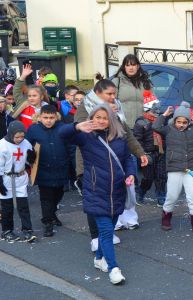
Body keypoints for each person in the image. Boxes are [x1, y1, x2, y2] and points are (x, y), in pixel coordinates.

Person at [59, 103, 135, 285]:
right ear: (92, 118)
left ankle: (99, 258)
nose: (101, 121)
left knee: (107, 230)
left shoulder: (120, 138)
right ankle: (113, 269)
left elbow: (127, 159)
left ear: (111, 119)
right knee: (107, 231)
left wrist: (131, 173)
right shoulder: (85, 137)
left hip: (117, 191)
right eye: (97, 117)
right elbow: (61, 134)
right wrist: (77, 126)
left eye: (104, 117)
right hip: (95, 191)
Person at [76, 75, 148, 251]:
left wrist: (140, 152)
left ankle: (106, 232)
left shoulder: (116, 108)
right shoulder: (86, 108)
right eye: (108, 93)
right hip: (91, 163)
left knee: (111, 198)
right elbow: (79, 137)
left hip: (112, 162)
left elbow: (126, 134)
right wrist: (81, 170)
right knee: (94, 201)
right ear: (98, 92)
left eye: (114, 93)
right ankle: (96, 238)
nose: (112, 97)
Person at [153, 102, 193, 234]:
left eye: (185, 122)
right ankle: (166, 218)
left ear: (188, 122)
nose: (181, 125)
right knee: (172, 196)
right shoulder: (168, 129)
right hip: (174, 168)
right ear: (174, 121)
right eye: (179, 122)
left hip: (189, 169)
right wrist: (165, 115)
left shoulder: (192, 130)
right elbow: (155, 126)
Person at [25, 105, 69, 237]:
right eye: (45, 118)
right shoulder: (33, 129)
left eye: (51, 118)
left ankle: (52, 213)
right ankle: (47, 222)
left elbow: (70, 146)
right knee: (46, 197)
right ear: (40, 117)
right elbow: (27, 146)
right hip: (43, 169)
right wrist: (30, 155)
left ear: (56, 117)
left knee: (58, 193)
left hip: (61, 167)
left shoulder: (62, 128)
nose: (48, 120)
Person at [0, 121, 36, 243]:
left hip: (21, 177)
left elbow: (28, 159)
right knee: (7, 207)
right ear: (10, 134)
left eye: (22, 136)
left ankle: (27, 230)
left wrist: (31, 159)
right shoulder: (2, 145)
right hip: (6, 179)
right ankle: (7, 230)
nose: (20, 139)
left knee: (23, 206)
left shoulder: (26, 143)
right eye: (17, 137)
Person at [133, 90, 167, 206]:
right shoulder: (141, 122)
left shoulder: (161, 120)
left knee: (161, 176)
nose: (158, 111)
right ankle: (141, 192)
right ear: (148, 108)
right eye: (155, 108)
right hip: (148, 153)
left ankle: (161, 196)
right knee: (148, 177)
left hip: (160, 152)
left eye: (158, 108)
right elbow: (137, 140)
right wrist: (143, 154)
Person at [111, 54, 152, 127]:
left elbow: (151, 105)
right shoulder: (117, 81)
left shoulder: (145, 82)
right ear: (124, 67)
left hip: (142, 126)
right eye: (128, 65)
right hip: (123, 126)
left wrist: (152, 113)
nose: (131, 68)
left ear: (138, 66)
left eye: (133, 65)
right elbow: (109, 101)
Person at [13, 64, 48, 129]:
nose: (31, 98)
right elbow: (16, 91)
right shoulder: (23, 103)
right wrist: (23, 76)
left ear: (41, 97)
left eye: (34, 96)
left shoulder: (47, 108)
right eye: (29, 96)